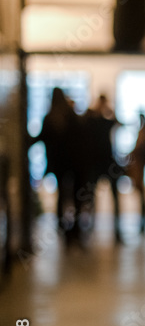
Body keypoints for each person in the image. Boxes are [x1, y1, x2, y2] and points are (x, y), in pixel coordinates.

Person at [34, 87, 85, 245]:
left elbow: (41, 138)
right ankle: (74, 229)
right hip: (74, 165)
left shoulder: (50, 118)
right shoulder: (71, 116)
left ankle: (63, 228)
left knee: (62, 196)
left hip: (59, 165)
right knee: (74, 198)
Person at [81, 93, 123, 243]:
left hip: (107, 163)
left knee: (114, 197)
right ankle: (90, 228)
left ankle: (117, 231)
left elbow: (119, 123)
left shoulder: (107, 121)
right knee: (91, 198)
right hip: (96, 163)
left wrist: (110, 112)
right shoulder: (91, 121)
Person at [127, 113, 145, 235]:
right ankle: (143, 222)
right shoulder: (142, 131)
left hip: (140, 167)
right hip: (139, 166)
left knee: (142, 195)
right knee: (141, 194)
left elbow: (140, 147)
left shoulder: (143, 132)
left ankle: (143, 223)